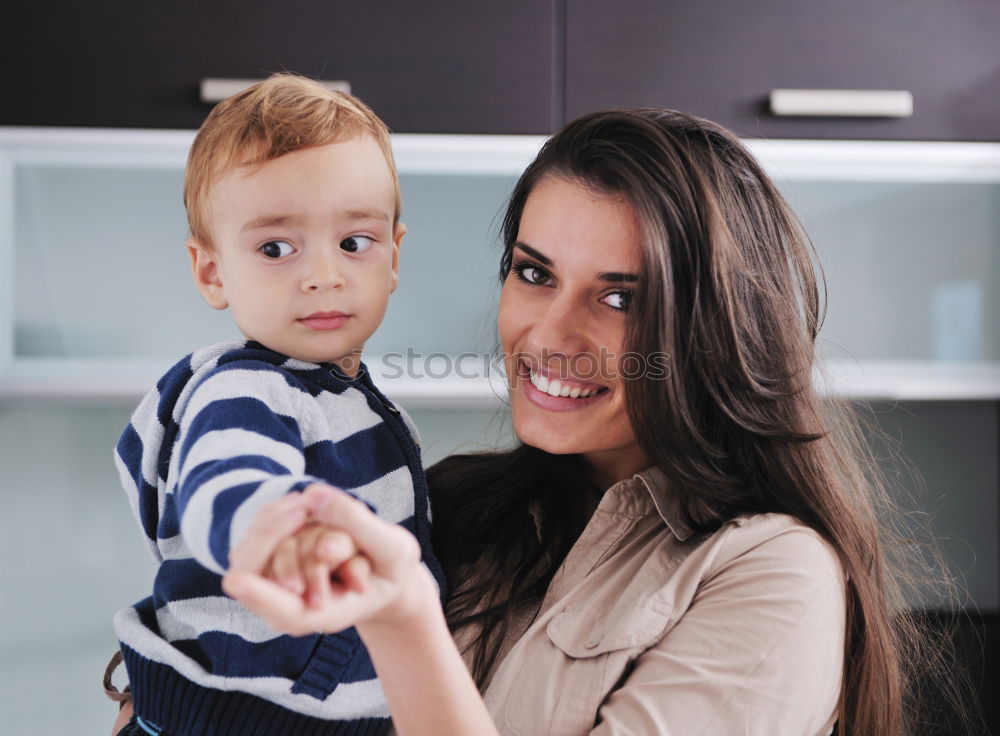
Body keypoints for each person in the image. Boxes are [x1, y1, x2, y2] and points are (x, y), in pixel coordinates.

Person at [223, 108, 972, 735]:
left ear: (717, 329)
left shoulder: (773, 575)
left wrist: (403, 622)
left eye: (621, 298)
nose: (549, 337)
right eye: (534, 272)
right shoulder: (448, 504)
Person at [107, 73, 444, 736]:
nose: (325, 273)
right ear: (212, 272)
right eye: (276, 248)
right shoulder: (248, 389)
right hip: (244, 716)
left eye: (354, 242)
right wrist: (282, 532)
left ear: (394, 256)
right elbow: (228, 477)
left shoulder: (344, 395)